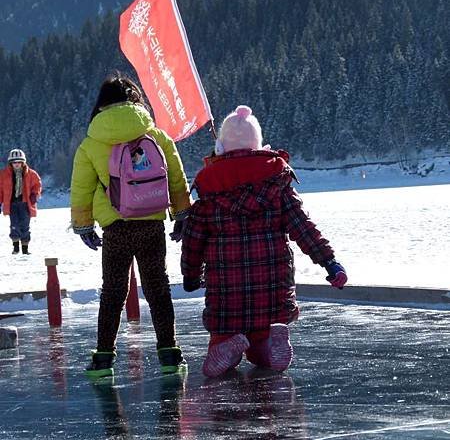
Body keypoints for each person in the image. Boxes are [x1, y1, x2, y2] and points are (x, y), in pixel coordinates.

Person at [181, 105, 347, 378]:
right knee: (263, 340)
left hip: (226, 296)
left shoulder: (209, 190)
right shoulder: (277, 183)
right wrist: (330, 262)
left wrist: (190, 275)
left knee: (217, 356)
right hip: (272, 291)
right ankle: (269, 346)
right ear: (259, 145)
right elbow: (303, 228)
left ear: (221, 147)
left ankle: (226, 344)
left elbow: (193, 240)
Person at [70, 71, 192, 378]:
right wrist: (181, 214)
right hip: (152, 222)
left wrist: (84, 225)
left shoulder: (91, 142)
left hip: (116, 226)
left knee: (112, 291)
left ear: (101, 105)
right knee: (158, 287)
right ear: (135, 99)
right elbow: (176, 177)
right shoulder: (156, 135)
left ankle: (103, 360)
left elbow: (82, 189)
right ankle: (169, 353)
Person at [0, 148, 42, 255]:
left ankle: (25, 248)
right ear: (11, 163)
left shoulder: (31, 174)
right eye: (14, 162)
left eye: (19, 162)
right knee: (14, 225)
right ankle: (15, 248)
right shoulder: (4, 175)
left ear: (23, 162)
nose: (17, 164)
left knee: (25, 225)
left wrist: (34, 194)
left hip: (25, 204)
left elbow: (37, 185)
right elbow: (0, 190)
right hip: (12, 204)